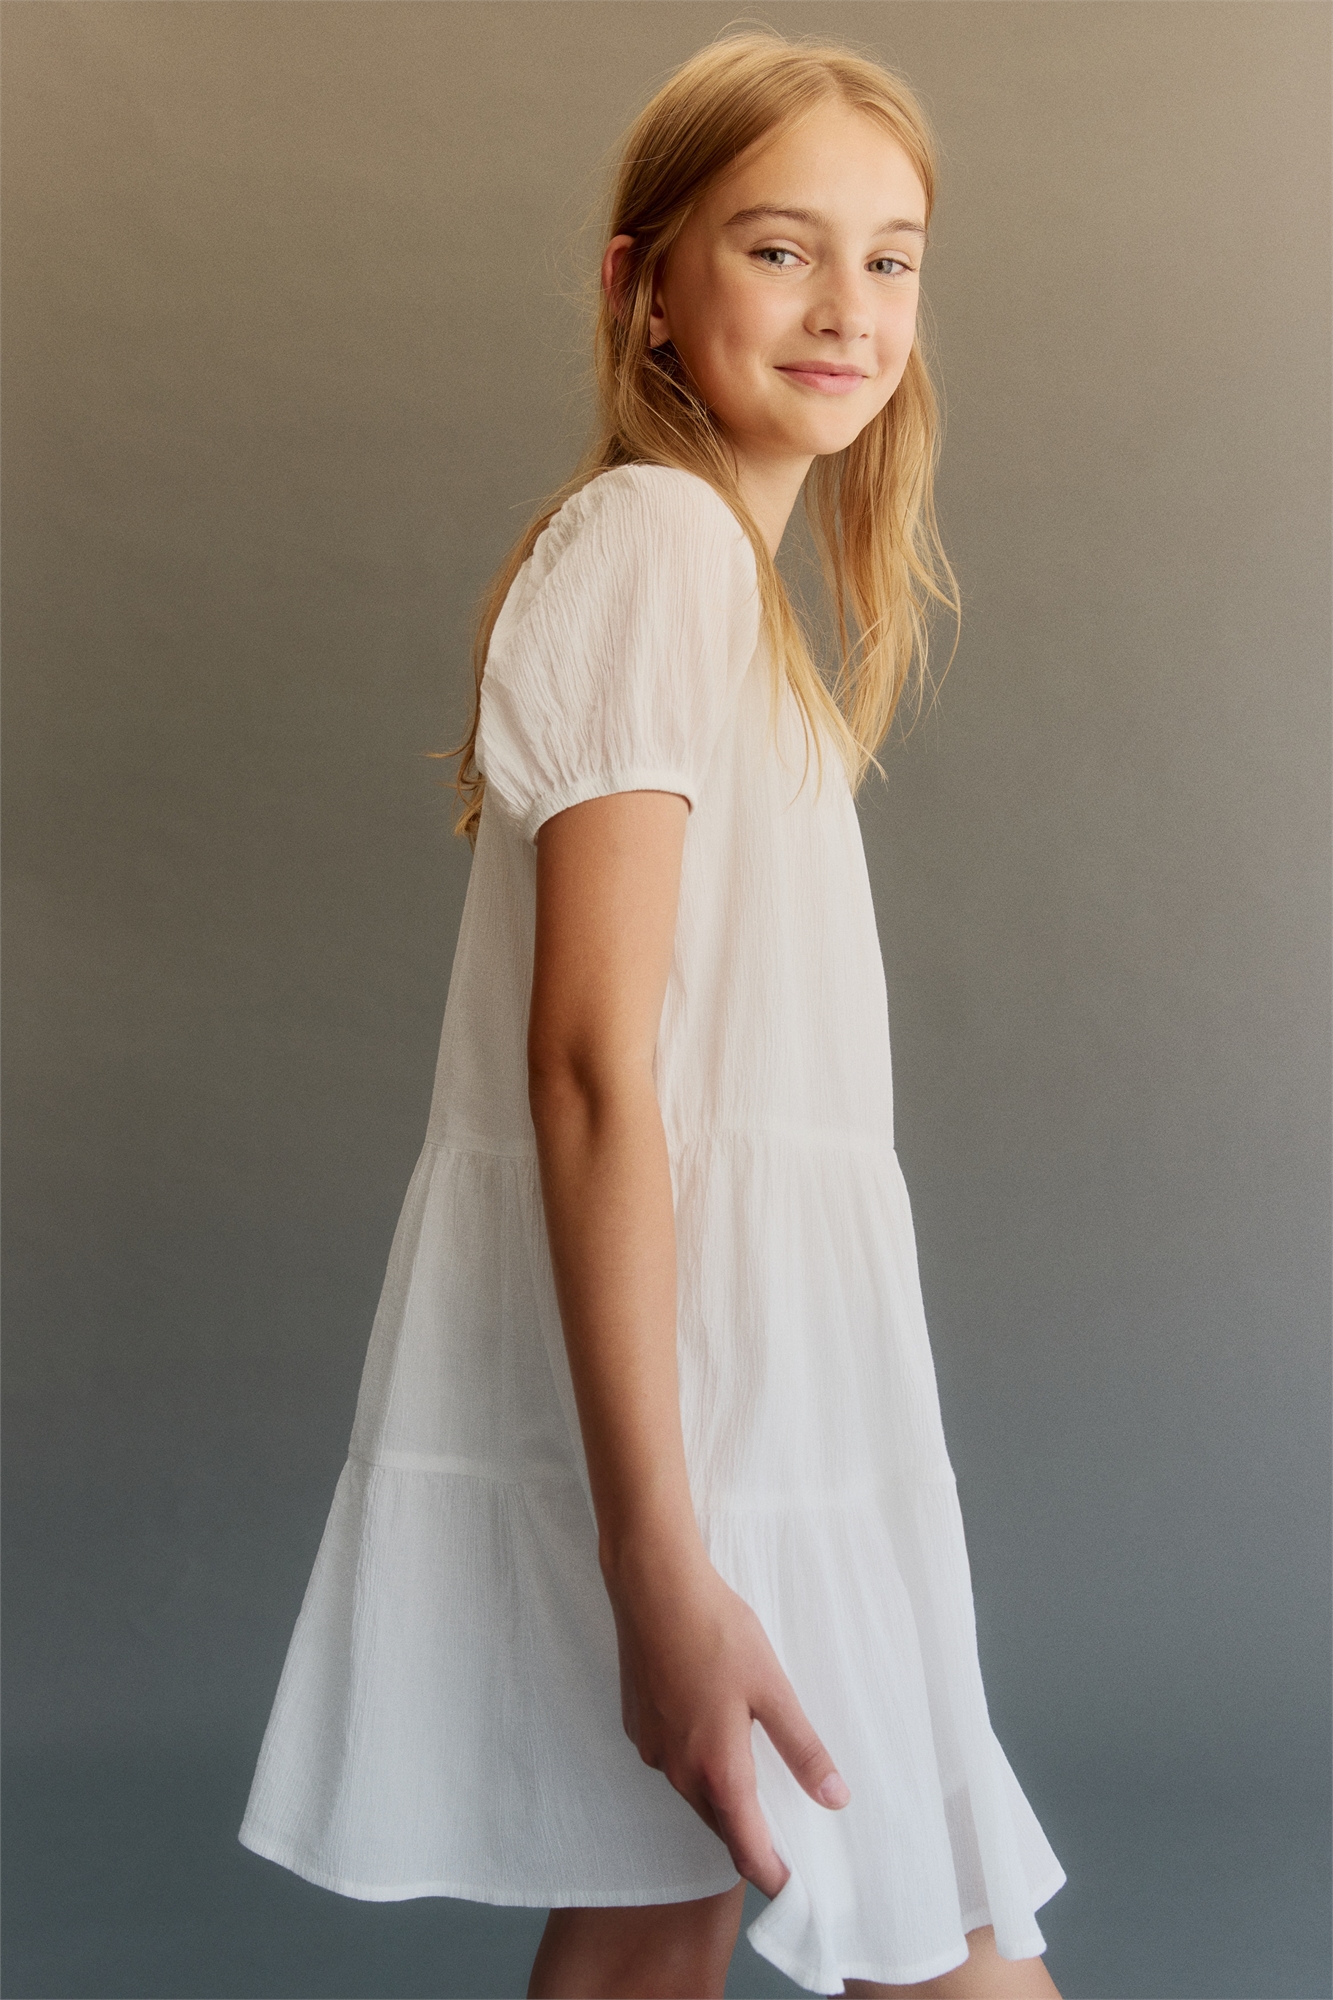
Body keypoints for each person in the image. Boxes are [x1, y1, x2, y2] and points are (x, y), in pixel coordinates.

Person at [238, 30, 1068, 2000]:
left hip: (766, 1406)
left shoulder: (731, 596)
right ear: (644, 286)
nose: (848, 307)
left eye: (890, 258)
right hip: (717, 1435)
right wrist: (658, 1562)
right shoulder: (655, 548)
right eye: (780, 248)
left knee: (647, 1930)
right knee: (920, 1943)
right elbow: (589, 1069)